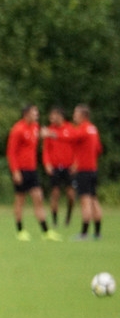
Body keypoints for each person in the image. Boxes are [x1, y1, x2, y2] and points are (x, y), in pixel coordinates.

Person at [6, 104, 61, 241]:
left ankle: (46, 231)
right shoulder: (18, 129)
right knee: (20, 200)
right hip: (21, 170)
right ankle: (20, 230)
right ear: (26, 114)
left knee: (38, 198)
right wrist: (15, 171)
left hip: (32, 170)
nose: (37, 114)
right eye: (34, 112)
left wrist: (48, 134)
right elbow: (11, 152)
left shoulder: (35, 127)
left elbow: (37, 135)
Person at [69, 103, 104, 240]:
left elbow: (70, 138)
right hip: (93, 169)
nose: (74, 116)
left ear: (83, 115)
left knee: (85, 201)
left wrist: (52, 134)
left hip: (84, 170)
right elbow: (98, 149)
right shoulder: (93, 129)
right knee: (94, 200)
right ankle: (97, 232)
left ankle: (84, 233)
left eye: (76, 114)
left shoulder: (83, 129)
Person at [42, 107, 76, 228]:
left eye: (53, 115)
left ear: (60, 116)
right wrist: (47, 163)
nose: (51, 117)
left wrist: (75, 163)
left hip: (69, 167)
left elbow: (77, 148)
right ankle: (55, 221)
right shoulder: (50, 130)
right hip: (55, 167)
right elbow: (46, 150)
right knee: (55, 193)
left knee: (71, 194)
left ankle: (68, 217)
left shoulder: (70, 128)